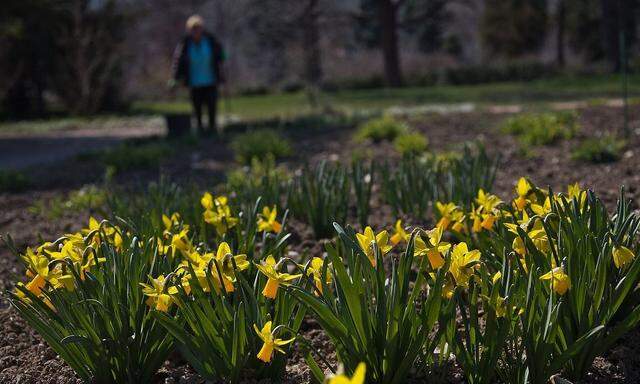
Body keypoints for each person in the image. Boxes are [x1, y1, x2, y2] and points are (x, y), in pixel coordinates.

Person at [170, 15, 226, 135]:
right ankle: (200, 132)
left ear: (202, 28)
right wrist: (174, 78)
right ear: (189, 30)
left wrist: (222, 57)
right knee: (197, 110)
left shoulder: (210, 40)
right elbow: (177, 61)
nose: (196, 30)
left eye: (198, 27)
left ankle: (212, 131)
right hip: (194, 82)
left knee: (212, 108)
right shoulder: (185, 44)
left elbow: (220, 54)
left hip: (211, 80)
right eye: (193, 28)